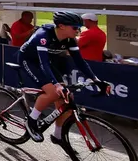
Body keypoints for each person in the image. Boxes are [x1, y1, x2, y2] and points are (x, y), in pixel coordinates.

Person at [18, 11, 109, 145]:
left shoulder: (69, 39)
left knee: (66, 100)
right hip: (29, 61)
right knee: (53, 92)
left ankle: (58, 135)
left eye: (80, 27)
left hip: (47, 62)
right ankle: (31, 121)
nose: (78, 30)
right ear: (61, 26)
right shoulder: (43, 36)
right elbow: (42, 64)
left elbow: (80, 62)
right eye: (75, 27)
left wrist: (96, 80)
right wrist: (56, 84)